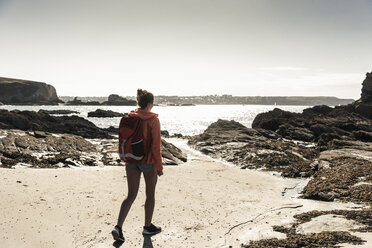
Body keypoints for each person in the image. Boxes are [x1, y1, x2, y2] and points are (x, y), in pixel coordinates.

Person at [112, 89, 163, 242]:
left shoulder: (130, 117)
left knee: (130, 195)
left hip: (131, 160)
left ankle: (118, 227)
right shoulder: (153, 120)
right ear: (149, 104)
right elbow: (156, 146)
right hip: (147, 162)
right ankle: (147, 227)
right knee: (150, 195)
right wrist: (159, 166)